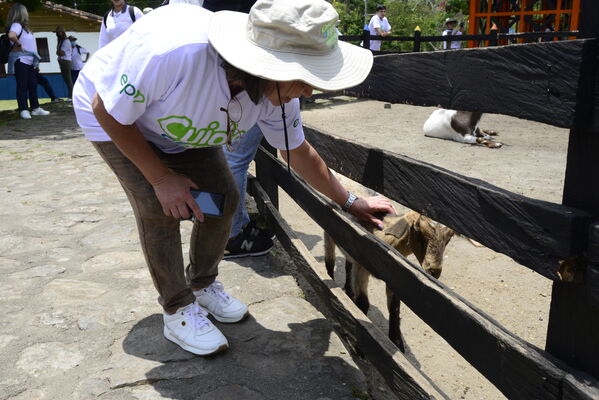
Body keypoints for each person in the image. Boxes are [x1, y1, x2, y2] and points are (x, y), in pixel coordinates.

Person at [73, 0, 394, 356]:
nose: (310, 91)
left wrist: (349, 200)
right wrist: (162, 179)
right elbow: (108, 109)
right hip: (116, 118)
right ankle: (177, 306)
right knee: (158, 207)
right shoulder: (176, 53)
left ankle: (202, 284)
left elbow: (298, 151)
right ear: (267, 65)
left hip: (188, 129)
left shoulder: (277, 92)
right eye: (306, 77)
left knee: (223, 199)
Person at [202, 0, 273, 259]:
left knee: (224, 155)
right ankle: (233, 233)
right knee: (235, 159)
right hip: (251, 68)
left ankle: (227, 227)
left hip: (229, 62)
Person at [6, 3, 50, 119]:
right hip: (21, 60)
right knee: (22, 86)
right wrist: (19, 44)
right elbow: (11, 35)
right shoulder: (16, 25)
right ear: (21, 13)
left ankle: (35, 108)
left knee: (32, 84)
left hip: (30, 61)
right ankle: (23, 109)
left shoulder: (25, 28)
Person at [55, 26, 73, 101]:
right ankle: (70, 96)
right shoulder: (60, 41)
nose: (59, 33)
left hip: (65, 61)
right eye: (58, 32)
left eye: (60, 32)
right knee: (66, 79)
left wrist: (57, 52)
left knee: (68, 79)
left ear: (63, 32)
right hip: (62, 61)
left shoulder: (65, 41)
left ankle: (71, 96)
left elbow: (61, 53)